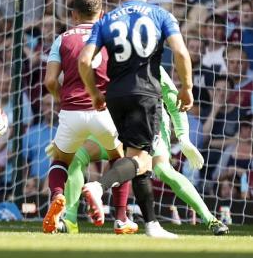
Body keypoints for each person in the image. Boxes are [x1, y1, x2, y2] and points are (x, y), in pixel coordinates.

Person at [78, 0, 193, 238]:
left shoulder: (107, 19)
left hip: (115, 96)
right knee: (142, 160)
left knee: (135, 154)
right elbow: (180, 53)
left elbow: (85, 59)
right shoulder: (161, 15)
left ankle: (152, 224)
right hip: (145, 94)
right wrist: (186, 87)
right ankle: (98, 186)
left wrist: (94, 93)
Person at [60, 66, 228, 235]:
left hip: (150, 123)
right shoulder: (106, 61)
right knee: (79, 156)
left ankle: (209, 219)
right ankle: (71, 219)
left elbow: (173, 102)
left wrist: (183, 136)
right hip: (115, 122)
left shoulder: (152, 66)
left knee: (162, 170)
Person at [41, 0, 129, 234]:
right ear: (101, 14)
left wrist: (62, 99)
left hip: (71, 113)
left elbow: (49, 81)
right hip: (104, 112)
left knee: (60, 160)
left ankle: (57, 197)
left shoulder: (63, 39)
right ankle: (121, 217)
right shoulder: (110, 37)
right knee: (119, 159)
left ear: (74, 14)